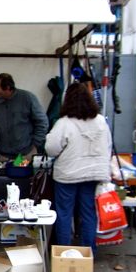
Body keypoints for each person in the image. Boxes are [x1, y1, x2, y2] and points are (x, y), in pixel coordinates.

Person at [45, 82, 112, 252]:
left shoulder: (64, 123)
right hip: (93, 174)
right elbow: (108, 145)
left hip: (68, 174)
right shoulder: (100, 121)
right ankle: (88, 252)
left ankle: (64, 253)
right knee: (88, 214)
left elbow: (51, 149)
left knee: (64, 214)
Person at [0, 72, 48, 162]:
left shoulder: (27, 98)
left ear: (7, 88)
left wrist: (36, 144)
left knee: (23, 176)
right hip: (4, 156)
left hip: (25, 156)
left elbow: (42, 122)